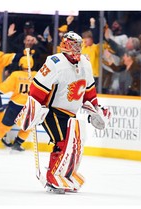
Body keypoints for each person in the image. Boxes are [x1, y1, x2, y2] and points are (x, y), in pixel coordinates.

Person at [17, 31, 111, 193]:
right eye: (74, 45)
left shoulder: (85, 63)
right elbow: (37, 87)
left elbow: (88, 90)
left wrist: (95, 110)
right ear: (66, 45)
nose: (77, 48)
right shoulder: (54, 62)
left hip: (71, 112)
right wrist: (33, 108)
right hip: (52, 111)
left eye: (79, 45)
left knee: (75, 144)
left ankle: (66, 174)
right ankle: (52, 176)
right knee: (63, 143)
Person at [0, 54, 37, 152]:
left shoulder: (16, 75)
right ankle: (17, 143)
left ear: (20, 64)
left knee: (4, 125)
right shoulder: (37, 75)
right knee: (28, 127)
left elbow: (2, 89)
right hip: (30, 106)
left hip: (15, 105)